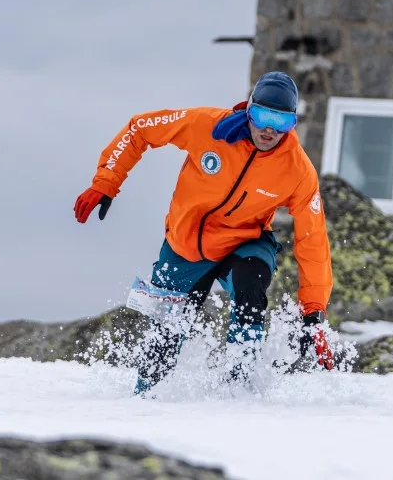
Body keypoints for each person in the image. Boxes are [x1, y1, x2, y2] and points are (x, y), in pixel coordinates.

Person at [73, 71, 335, 395]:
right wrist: (106, 182)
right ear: (248, 110)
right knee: (165, 337)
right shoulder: (207, 126)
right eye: (262, 116)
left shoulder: (297, 171)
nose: (269, 129)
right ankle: (145, 398)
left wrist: (313, 309)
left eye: (281, 122)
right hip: (185, 245)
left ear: (293, 124)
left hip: (243, 242)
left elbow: (313, 240)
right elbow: (140, 128)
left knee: (251, 286)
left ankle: (238, 387)